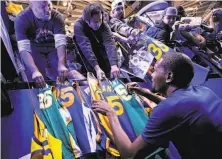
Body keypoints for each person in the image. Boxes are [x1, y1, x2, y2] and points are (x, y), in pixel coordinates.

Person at [92, 53, 222, 159]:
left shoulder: (167, 109)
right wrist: (147, 94)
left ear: (169, 76)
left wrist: (111, 113)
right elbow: (178, 107)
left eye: (154, 70)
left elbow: (130, 155)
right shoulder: (204, 91)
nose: (151, 75)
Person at [15, 0, 85, 88]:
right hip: (34, 48)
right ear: (31, 5)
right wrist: (34, 71)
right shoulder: (21, 19)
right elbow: (24, 48)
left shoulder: (57, 17)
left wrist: (62, 64)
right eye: (42, 7)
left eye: (48, 5)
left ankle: (83, 86)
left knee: (64, 71)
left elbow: (61, 43)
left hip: (53, 47)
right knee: (36, 77)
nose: (48, 10)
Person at [74, 3, 120, 81]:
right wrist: (97, 68)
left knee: (109, 68)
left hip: (100, 49)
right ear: (87, 21)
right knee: (93, 74)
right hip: (85, 54)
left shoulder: (103, 24)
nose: (99, 24)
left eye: (100, 20)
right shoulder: (78, 26)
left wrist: (114, 65)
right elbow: (85, 46)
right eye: (96, 22)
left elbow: (109, 42)